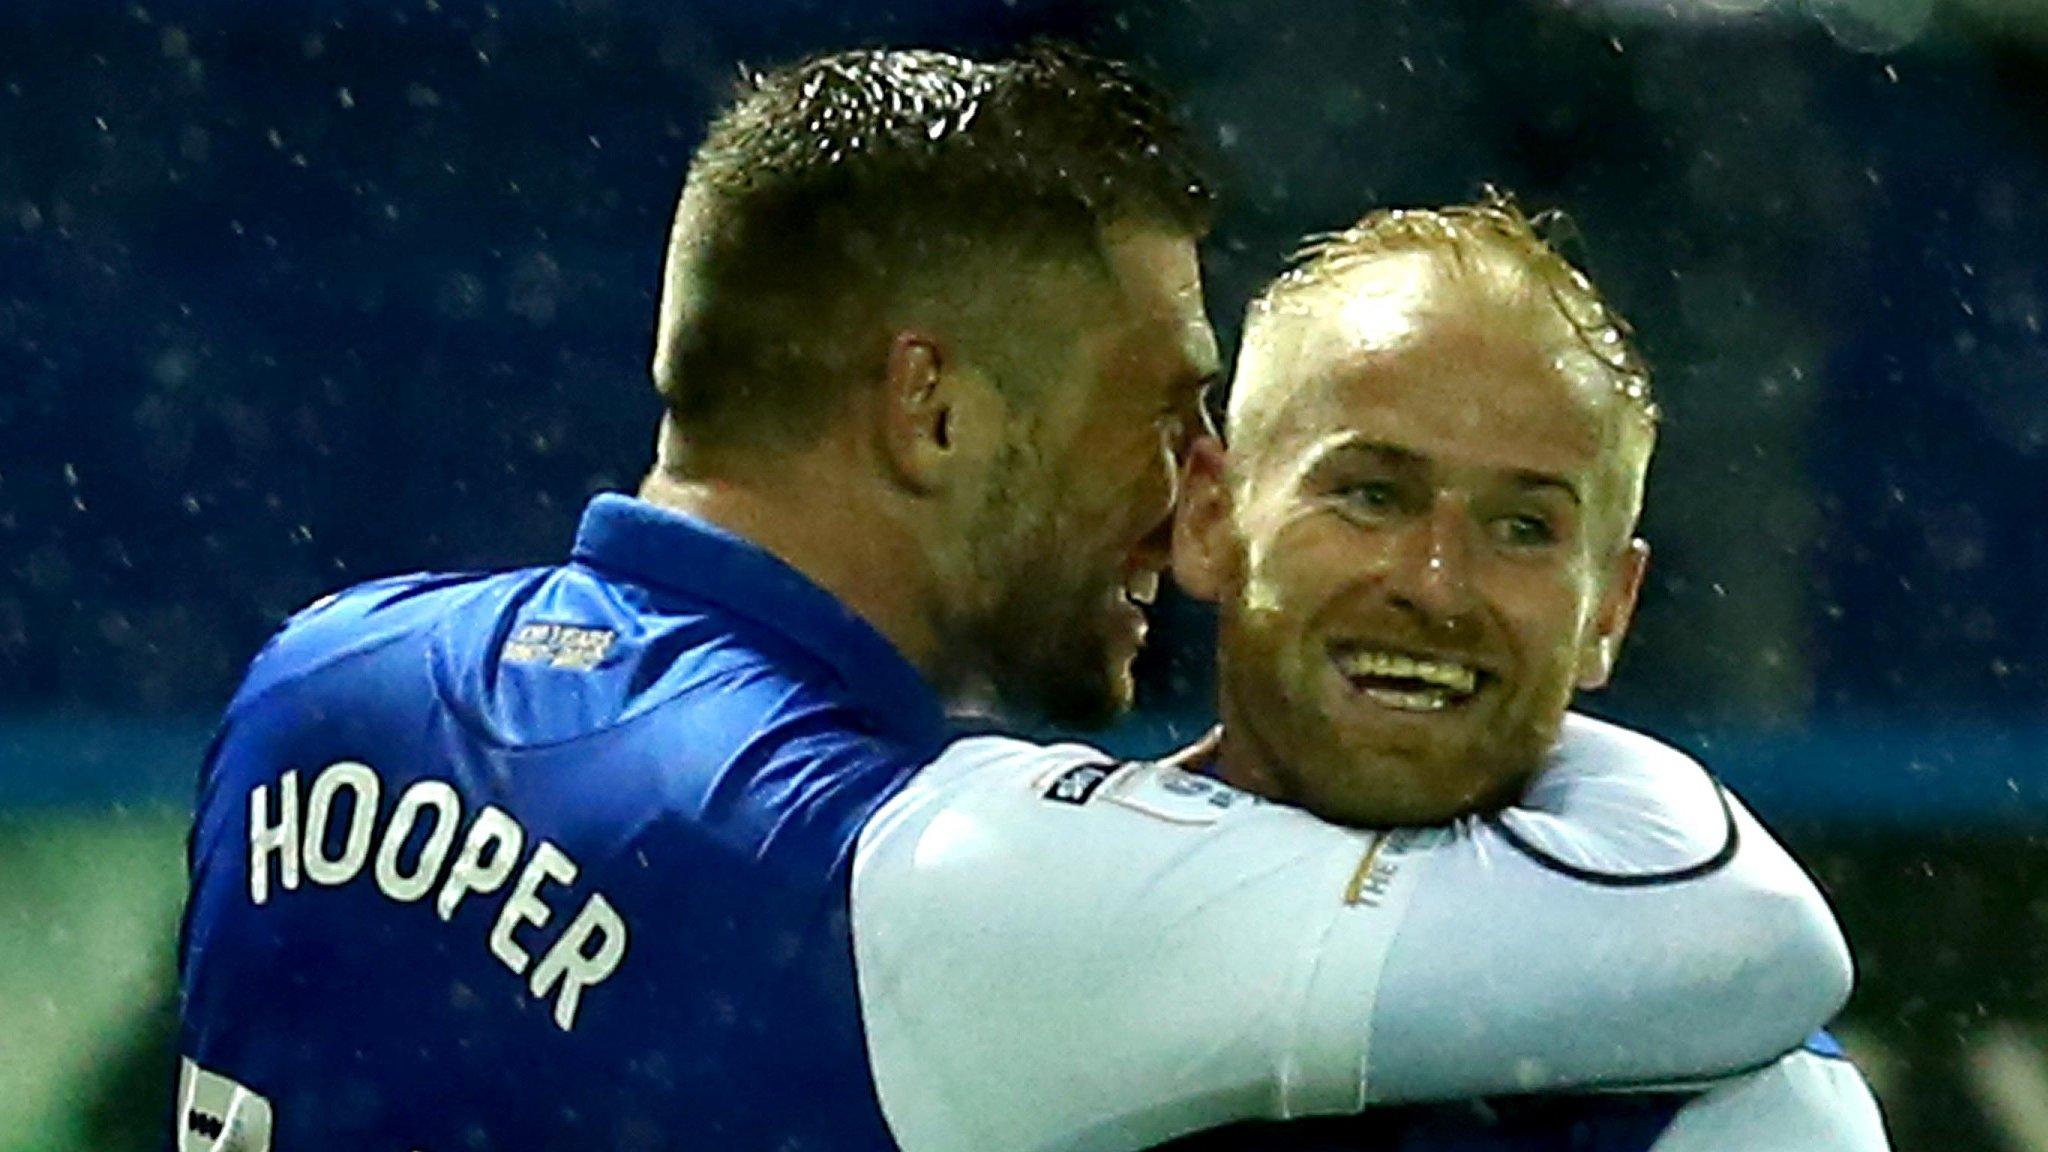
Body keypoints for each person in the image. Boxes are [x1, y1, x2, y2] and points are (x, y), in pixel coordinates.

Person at [175, 47, 1848, 1152]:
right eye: (1165, 407)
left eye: (1518, 528)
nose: (1183, 474)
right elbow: (1744, 941)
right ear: (936, 410)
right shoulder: (933, 871)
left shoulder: (320, 679)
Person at [1148, 198, 1889, 1149]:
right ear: (1211, 520)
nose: (1438, 584)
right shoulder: (979, 932)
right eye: (1372, 495)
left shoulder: (1751, 1118)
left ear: (1610, 611)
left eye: (1524, 528)